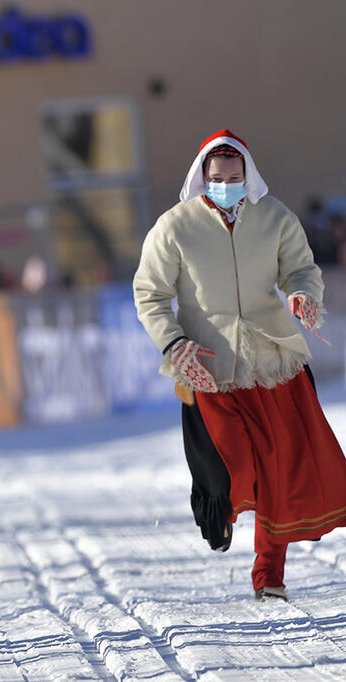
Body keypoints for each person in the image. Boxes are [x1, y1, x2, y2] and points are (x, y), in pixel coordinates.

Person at [133, 129, 346, 602]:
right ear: (202, 176)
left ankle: (269, 575)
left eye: (234, 178)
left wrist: (303, 295)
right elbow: (149, 294)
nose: (225, 185)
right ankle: (218, 509)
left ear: (248, 176)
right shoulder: (174, 227)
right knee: (235, 467)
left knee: (279, 473)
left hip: (273, 361)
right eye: (217, 178)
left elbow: (302, 271)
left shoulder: (275, 217)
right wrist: (173, 343)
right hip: (207, 365)